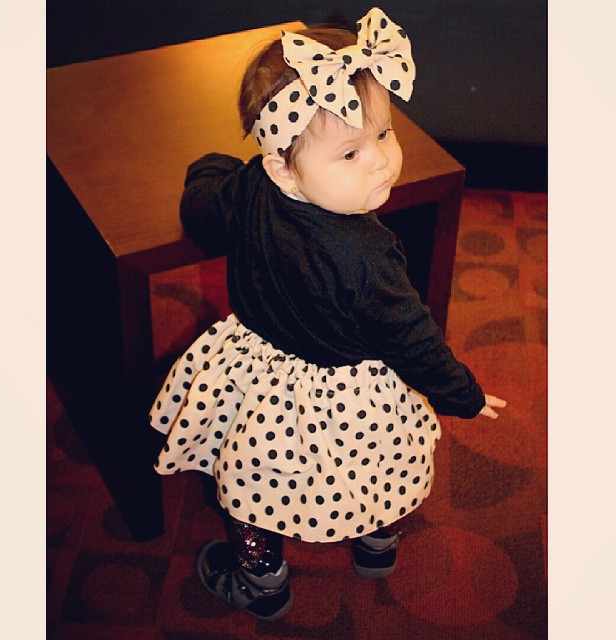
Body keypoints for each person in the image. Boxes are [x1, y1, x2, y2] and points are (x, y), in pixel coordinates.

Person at [149, 7, 506, 621]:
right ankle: (376, 543)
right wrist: (461, 393)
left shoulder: (253, 187)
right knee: (378, 462)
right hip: (353, 397)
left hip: (260, 382)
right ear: (285, 168)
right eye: (350, 153)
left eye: (384, 135)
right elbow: (412, 338)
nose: (381, 161)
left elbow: (202, 204)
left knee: (253, 480)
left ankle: (262, 578)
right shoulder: (369, 255)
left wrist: (208, 165)